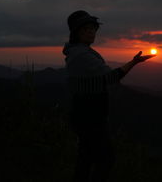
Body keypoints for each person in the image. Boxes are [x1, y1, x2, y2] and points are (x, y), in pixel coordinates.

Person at [62, 10, 155, 182]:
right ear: (76, 32)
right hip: (89, 116)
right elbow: (111, 78)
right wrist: (134, 62)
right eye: (85, 29)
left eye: (93, 28)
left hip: (83, 114)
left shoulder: (76, 52)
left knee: (86, 157)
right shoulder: (82, 55)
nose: (91, 32)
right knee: (106, 159)